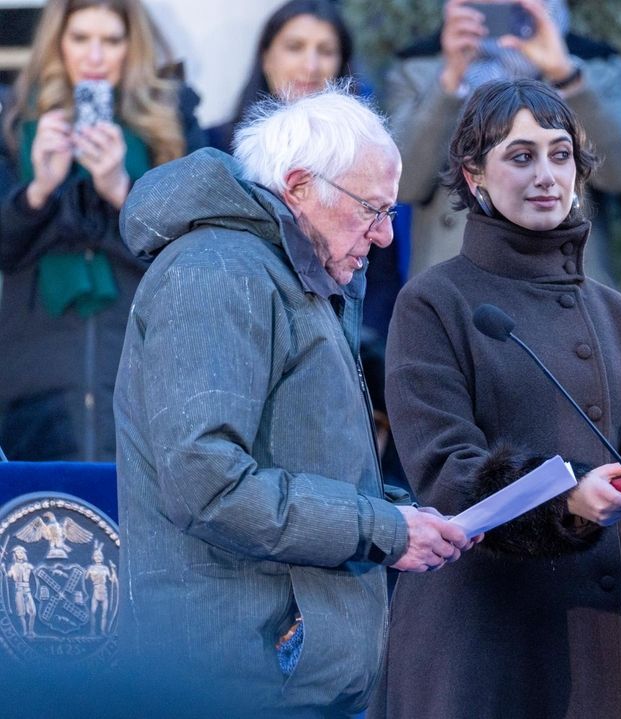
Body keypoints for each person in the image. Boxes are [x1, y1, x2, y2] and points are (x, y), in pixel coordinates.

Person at [376, 79, 621, 719]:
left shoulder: (617, 312)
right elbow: (448, 473)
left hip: (614, 637)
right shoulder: (435, 300)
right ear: (475, 175)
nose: (546, 174)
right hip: (484, 640)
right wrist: (568, 501)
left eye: (560, 153)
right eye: (521, 156)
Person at [111, 89, 474, 717]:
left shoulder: (279, 271)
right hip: (245, 675)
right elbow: (207, 483)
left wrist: (400, 517)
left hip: (277, 671)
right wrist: (382, 529)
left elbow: (304, 464)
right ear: (301, 185)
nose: (386, 236)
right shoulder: (222, 270)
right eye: (372, 209)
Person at [0, 0, 203, 462]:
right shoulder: (13, 122)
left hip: (143, 358)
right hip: (36, 367)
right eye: (80, 38)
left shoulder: (172, 122)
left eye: (111, 40)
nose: (95, 56)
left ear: (133, 46)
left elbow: (195, 252)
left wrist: (120, 190)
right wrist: (39, 190)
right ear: (58, 43)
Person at [385, 0, 621, 281]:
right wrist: (450, 80)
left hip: (567, 282)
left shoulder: (592, 65)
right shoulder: (421, 67)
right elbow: (402, 184)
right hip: (456, 284)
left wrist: (566, 77)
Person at [206, 0, 351, 152]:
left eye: (326, 51)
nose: (311, 67)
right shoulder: (212, 149)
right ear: (266, 57)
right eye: (294, 47)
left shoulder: (360, 152)